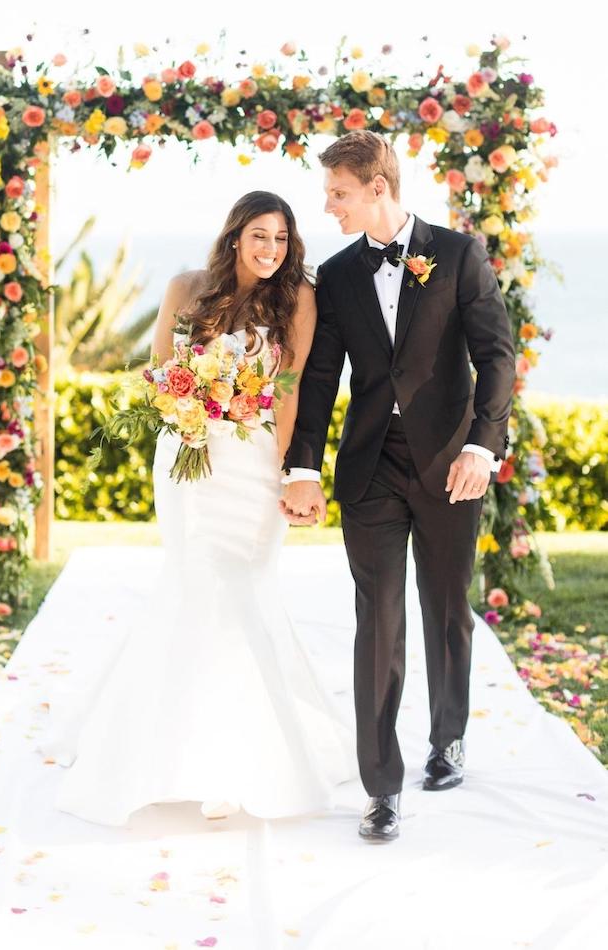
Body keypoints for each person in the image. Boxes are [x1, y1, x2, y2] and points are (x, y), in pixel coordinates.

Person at [48, 190, 356, 826]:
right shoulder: (187, 287)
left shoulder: (297, 297)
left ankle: (243, 759)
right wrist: (192, 407)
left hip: (253, 459)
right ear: (235, 236)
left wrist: (289, 470)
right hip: (188, 458)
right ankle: (174, 753)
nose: (271, 250)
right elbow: (159, 372)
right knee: (193, 589)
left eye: (281, 238)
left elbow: (291, 387)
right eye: (259, 236)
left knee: (246, 593)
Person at [281, 132, 515, 843]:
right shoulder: (338, 273)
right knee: (375, 621)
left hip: (450, 464)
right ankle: (379, 787)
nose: (327, 206)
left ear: (377, 188)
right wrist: (301, 467)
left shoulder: (458, 254)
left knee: (446, 610)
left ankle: (446, 740)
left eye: (338, 193)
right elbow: (321, 380)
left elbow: (495, 356)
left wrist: (481, 445)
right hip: (369, 468)